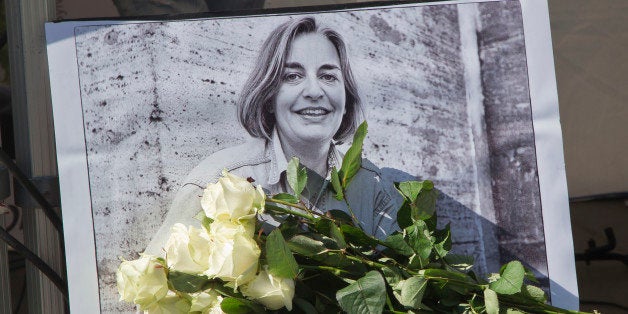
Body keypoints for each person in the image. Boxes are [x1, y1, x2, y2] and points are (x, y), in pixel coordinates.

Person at [145, 16, 399, 255]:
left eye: (328, 76)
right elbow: (158, 288)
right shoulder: (219, 184)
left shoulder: (375, 190)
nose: (314, 90)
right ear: (268, 97)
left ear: (347, 99)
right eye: (292, 76)